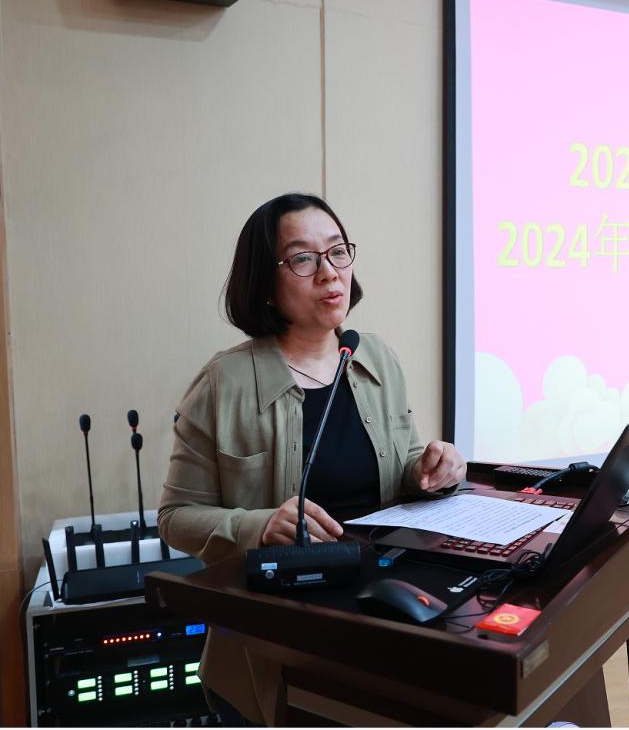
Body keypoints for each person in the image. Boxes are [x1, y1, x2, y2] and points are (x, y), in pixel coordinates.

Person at [158, 193, 466, 726]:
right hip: (277, 643)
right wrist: (259, 526)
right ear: (266, 281)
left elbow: (403, 464)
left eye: (338, 252)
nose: (329, 272)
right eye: (303, 258)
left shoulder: (373, 356)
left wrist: (431, 469)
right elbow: (175, 518)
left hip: (381, 619)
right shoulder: (224, 383)